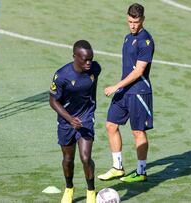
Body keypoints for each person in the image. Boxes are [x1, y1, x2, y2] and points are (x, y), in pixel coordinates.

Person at [97, 3, 155, 183]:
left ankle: (141, 171)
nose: (132, 25)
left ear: (143, 20)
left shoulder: (147, 41)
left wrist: (116, 86)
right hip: (125, 91)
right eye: (130, 21)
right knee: (110, 125)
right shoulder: (127, 38)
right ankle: (118, 167)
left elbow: (139, 71)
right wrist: (120, 88)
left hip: (139, 92)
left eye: (136, 22)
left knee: (138, 132)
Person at [49, 40, 101, 203]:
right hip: (67, 121)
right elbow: (53, 101)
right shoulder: (62, 76)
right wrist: (70, 119)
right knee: (68, 159)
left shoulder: (95, 69)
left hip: (86, 117)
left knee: (85, 158)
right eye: (85, 59)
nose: (89, 63)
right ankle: (69, 188)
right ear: (74, 57)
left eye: (90, 59)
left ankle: (91, 193)